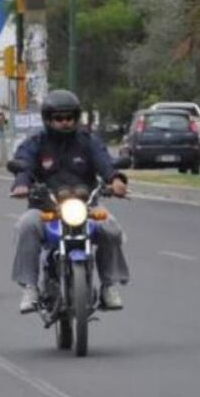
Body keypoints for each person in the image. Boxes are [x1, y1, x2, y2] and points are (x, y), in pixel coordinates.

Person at [9, 89, 129, 313]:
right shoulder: (35, 142)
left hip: (86, 206)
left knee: (111, 228)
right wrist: (21, 183)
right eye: (59, 118)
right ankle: (30, 287)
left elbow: (105, 162)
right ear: (48, 119)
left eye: (69, 117)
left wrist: (115, 180)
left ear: (76, 118)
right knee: (25, 225)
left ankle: (108, 286)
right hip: (45, 208)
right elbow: (23, 163)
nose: (65, 122)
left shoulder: (88, 141)